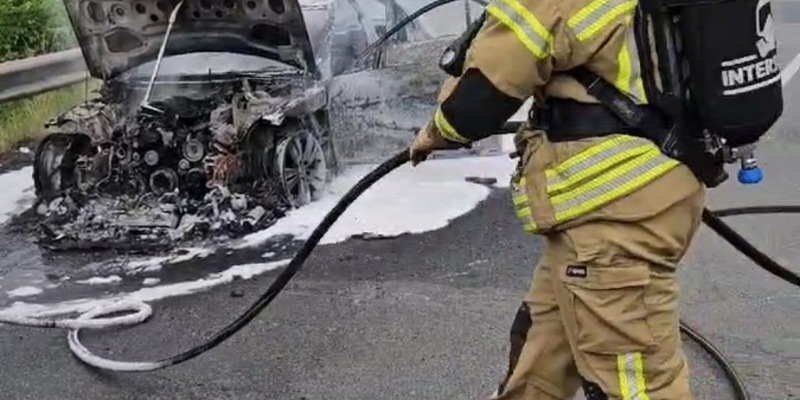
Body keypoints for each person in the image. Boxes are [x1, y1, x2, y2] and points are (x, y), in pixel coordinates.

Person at [408, 0, 707, 398]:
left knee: (637, 384)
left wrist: (435, 133)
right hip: (640, 194)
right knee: (542, 353)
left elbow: (482, 96)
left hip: (612, 214)